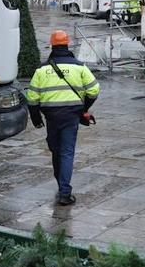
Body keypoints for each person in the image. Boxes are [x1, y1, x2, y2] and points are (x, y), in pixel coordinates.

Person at [25, 30, 100, 205]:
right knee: (67, 153)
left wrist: (36, 119)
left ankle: (62, 186)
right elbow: (94, 90)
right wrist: (83, 109)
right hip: (71, 116)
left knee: (56, 151)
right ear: (67, 45)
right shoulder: (79, 67)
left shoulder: (42, 70)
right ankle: (64, 192)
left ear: (52, 46)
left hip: (51, 117)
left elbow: (32, 98)